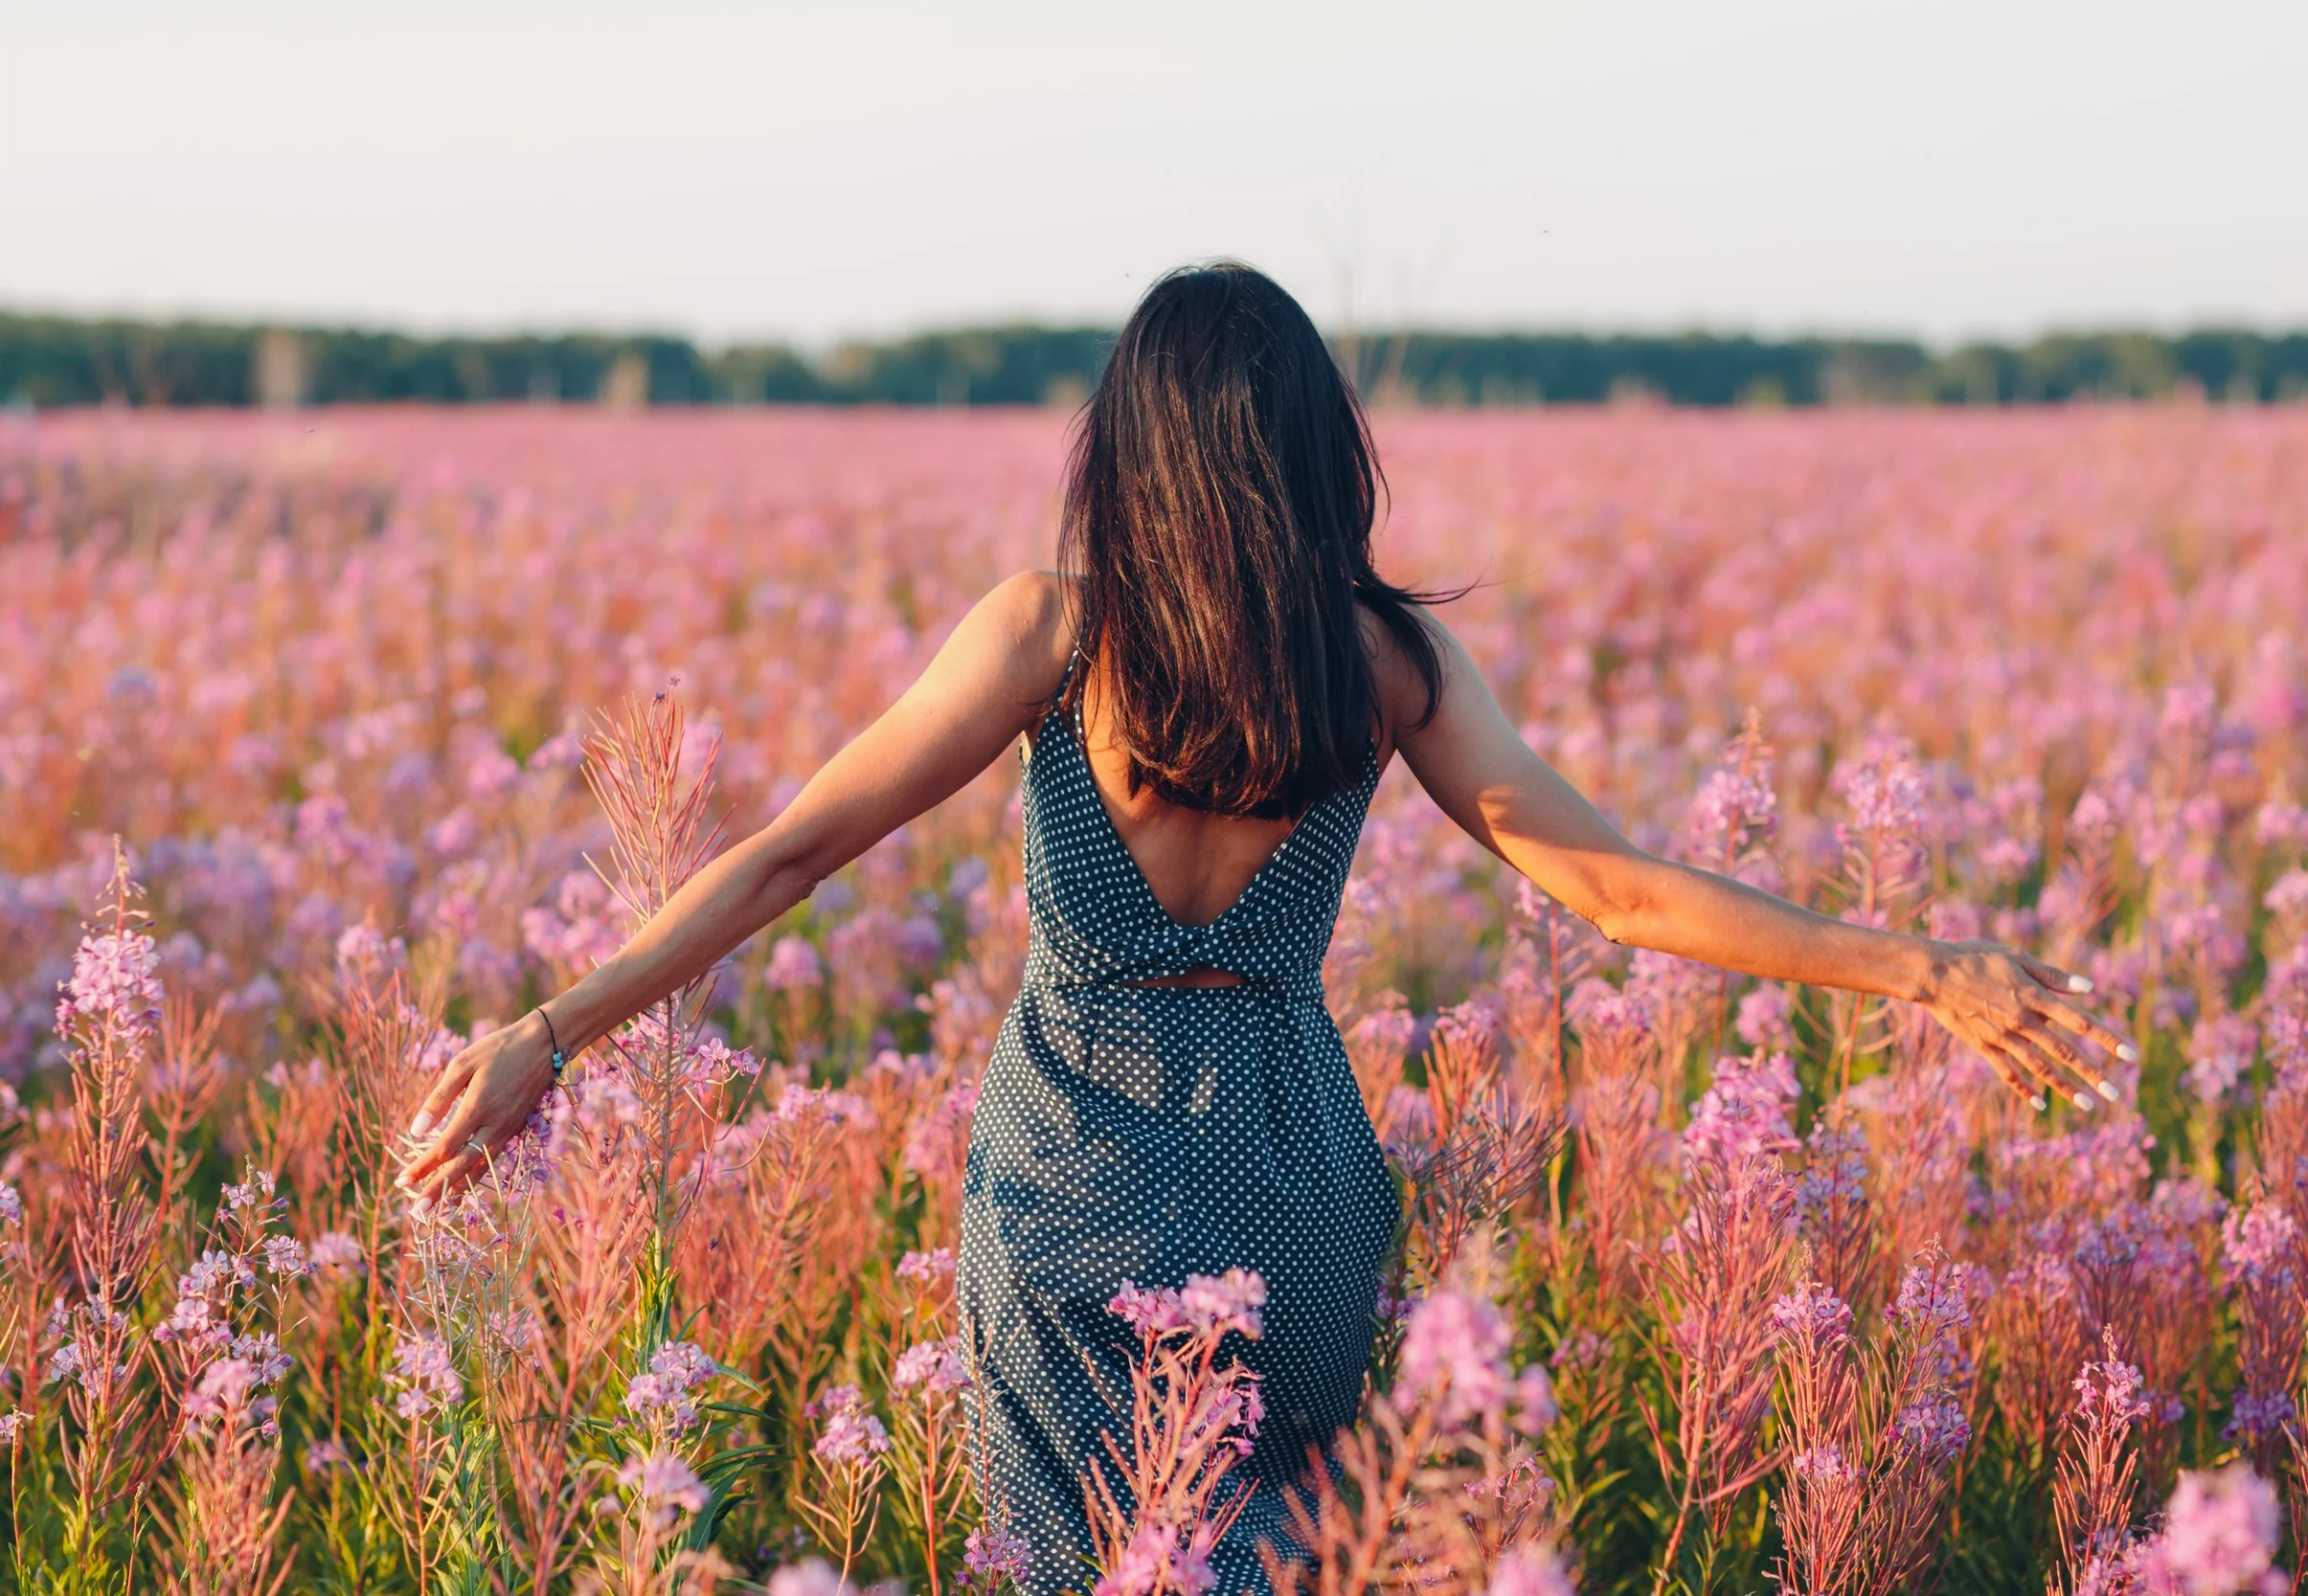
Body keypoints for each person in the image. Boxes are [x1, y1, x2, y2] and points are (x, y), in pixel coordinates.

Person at [402, 261, 2133, 1592]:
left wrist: (549, 1030)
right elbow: (1614, 888)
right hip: (1289, 1182)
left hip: (1068, 1179)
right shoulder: (1385, 663)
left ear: (1129, 448)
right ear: (1316, 453)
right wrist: (1923, 965)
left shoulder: (1052, 635)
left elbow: (789, 854)